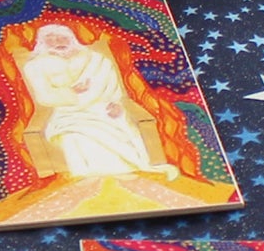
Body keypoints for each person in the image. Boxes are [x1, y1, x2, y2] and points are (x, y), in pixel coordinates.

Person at [17, 22, 175, 180]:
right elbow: (44, 96)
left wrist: (116, 104)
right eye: (51, 39)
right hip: (68, 113)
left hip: (103, 109)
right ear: (43, 43)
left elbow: (113, 89)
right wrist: (72, 91)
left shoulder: (96, 59)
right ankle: (91, 178)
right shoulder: (35, 66)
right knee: (74, 134)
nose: (58, 42)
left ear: (72, 39)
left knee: (116, 127)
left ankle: (121, 172)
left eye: (62, 38)